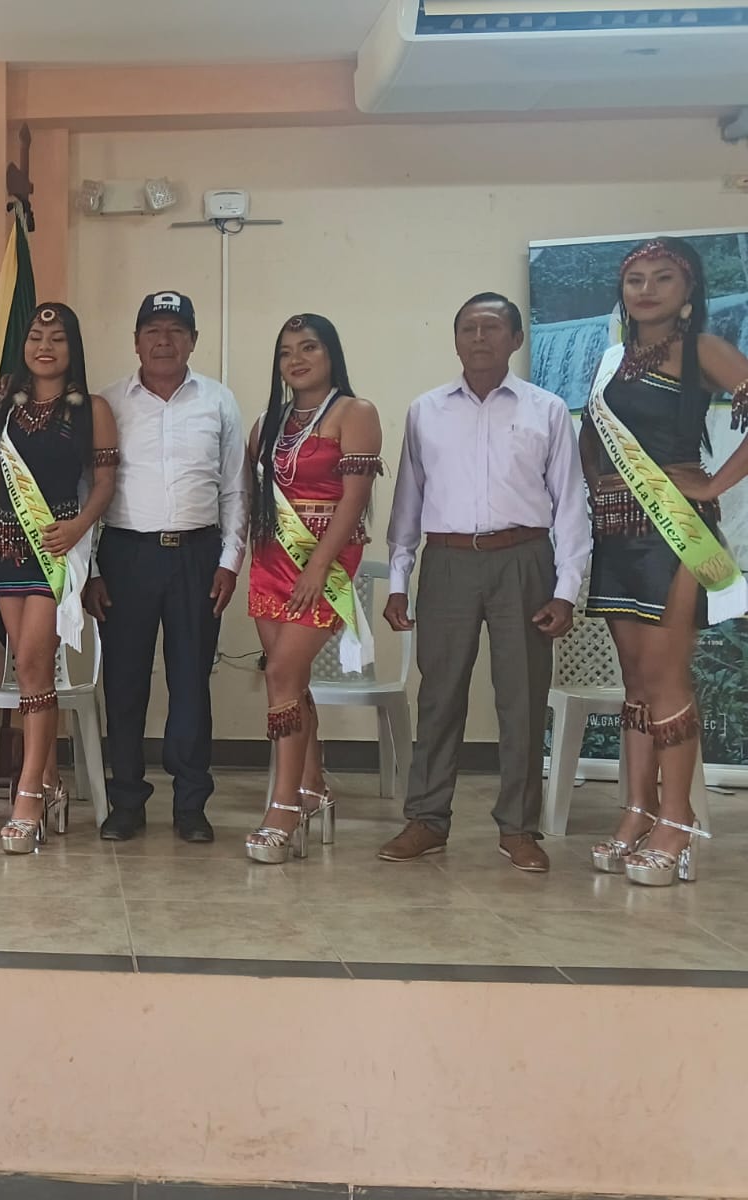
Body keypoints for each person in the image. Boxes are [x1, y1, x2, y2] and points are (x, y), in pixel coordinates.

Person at [380, 293, 591, 872]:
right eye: (469, 328)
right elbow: (407, 502)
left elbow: (571, 505)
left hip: (523, 560)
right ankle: (427, 820)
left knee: (522, 696)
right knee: (439, 694)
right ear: (455, 340)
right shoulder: (426, 410)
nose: (479, 337)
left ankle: (519, 828)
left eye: (492, 327)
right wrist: (398, 579)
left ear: (515, 339)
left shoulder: (547, 409)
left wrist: (565, 590)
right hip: (447, 562)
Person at [579, 237, 748, 886]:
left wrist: (713, 483)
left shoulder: (703, 348)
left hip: (674, 532)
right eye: (636, 280)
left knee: (665, 677)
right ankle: (637, 810)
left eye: (663, 278)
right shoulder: (613, 361)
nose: (646, 290)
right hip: (617, 533)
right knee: (636, 684)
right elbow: (591, 443)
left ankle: (678, 821)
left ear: (688, 290)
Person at [84, 291, 245, 844]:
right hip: (125, 558)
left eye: (176, 330)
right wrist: (91, 570)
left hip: (198, 557)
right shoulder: (107, 403)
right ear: (135, 341)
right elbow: (87, 491)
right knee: (125, 684)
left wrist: (229, 561)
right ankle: (126, 801)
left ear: (193, 341)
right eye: (152, 330)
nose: (163, 341)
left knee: (191, 683)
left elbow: (235, 489)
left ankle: (191, 804)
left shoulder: (218, 401)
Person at [0, 302, 119, 855]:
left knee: (34, 665)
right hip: (6, 549)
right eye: (35, 337)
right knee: (27, 668)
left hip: (56, 547)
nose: (45, 347)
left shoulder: (92, 409)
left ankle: (29, 794)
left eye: (57, 339)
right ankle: (49, 778)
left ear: (73, 348)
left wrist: (79, 527)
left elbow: (104, 483)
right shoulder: (4, 408)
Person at [243, 315, 382, 864]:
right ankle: (313, 787)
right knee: (291, 678)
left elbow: (354, 499)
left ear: (331, 354)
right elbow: (252, 496)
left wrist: (319, 566)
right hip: (271, 558)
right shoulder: (266, 423)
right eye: (286, 352)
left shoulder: (355, 413)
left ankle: (283, 808)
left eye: (309, 348)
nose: (296, 360)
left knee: (280, 672)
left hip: (324, 560)